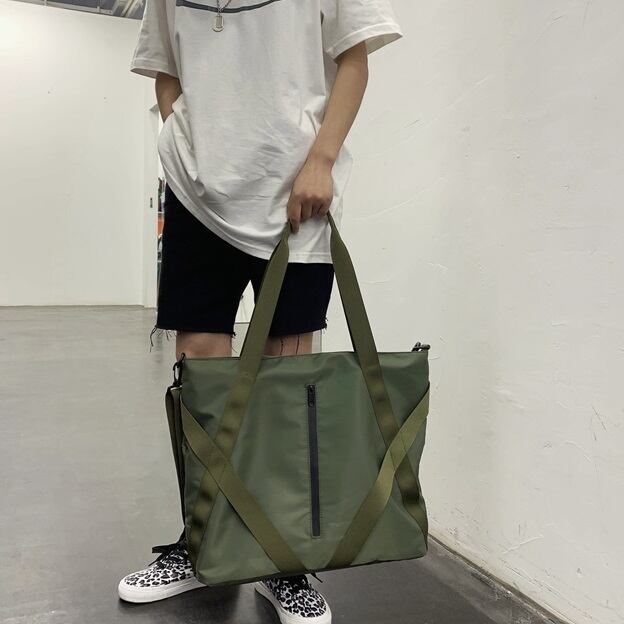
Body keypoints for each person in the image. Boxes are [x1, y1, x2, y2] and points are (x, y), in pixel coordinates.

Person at [118, 1, 403, 622]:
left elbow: (354, 57)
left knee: (287, 387)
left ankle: (284, 560)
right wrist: (182, 138)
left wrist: (322, 159)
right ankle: (203, 543)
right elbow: (165, 65)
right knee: (200, 377)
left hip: (296, 195)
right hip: (196, 194)